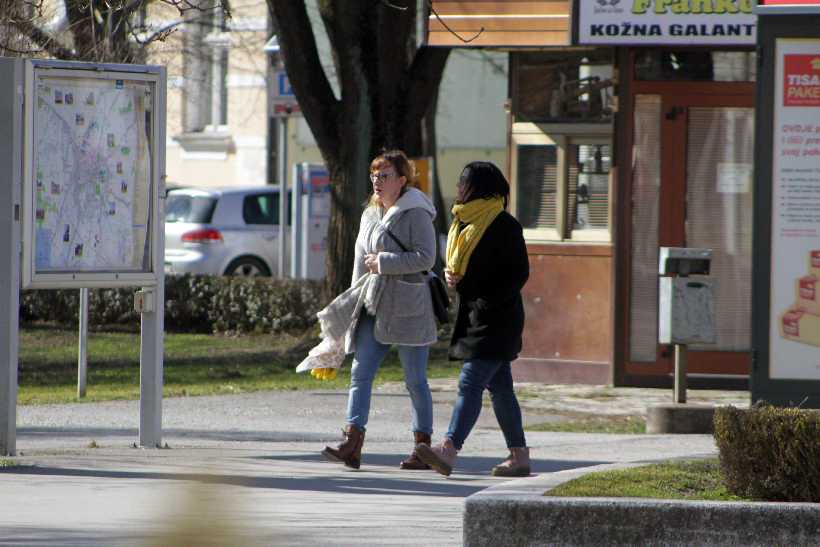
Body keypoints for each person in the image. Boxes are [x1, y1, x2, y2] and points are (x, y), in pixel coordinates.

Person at [318, 150, 438, 470]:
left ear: (402, 180)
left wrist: (384, 262)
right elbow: (360, 263)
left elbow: (426, 257)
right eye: (374, 175)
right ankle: (352, 443)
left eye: (384, 175)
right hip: (373, 303)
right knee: (360, 373)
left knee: (415, 381)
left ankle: (422, 449)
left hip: (410, 306)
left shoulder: (416, 213)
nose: (377, 181)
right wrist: (352, 304)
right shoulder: (369, 215)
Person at [415, 161, 531, 477]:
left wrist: (489, 302)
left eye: (463, 181)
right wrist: (453, 278)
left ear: (479, 186)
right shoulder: (464, 222)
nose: (458, 187)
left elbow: (519, 272)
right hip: (474, 317)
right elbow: (467, 267)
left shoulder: (503, 224)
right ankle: (519, 456)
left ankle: (448, 448)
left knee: (470, 382)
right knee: (501, 390)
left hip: (498, 319)